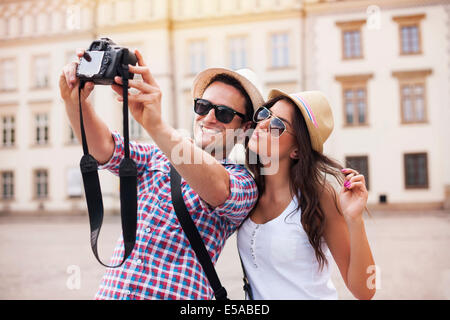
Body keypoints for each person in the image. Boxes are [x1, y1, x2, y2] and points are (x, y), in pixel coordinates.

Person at [59, 48, 264, 299]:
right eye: (203, 106)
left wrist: (155, 125)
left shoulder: (244, 182)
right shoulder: (157, 155)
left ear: (244, 127)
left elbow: (218, 189)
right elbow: (104, 148)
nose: (209, 117)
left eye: (223, 112)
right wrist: (75, 102)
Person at [237, 89, 376, 300]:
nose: (263, 124)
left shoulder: (319, 197)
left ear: (297, 150)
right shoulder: (248, 191)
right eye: (265, 114)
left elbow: (365, 290)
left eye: (278, 126)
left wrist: (355, 220)